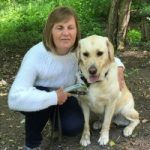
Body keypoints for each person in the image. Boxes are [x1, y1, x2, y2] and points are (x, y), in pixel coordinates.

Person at [8, 6, 125, 150]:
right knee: (41, 94)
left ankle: (54, 119)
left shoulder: (78, 50)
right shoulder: (35, 55)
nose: (66, 33)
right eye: (59, 28)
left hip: (64, 98)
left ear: (77, 31)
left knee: (74, 127)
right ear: (50, 30)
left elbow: (100, 53)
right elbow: (14, 98)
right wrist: (52, 97)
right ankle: (32, 144)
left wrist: (119, 65)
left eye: (70, 27)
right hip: (40, 98)